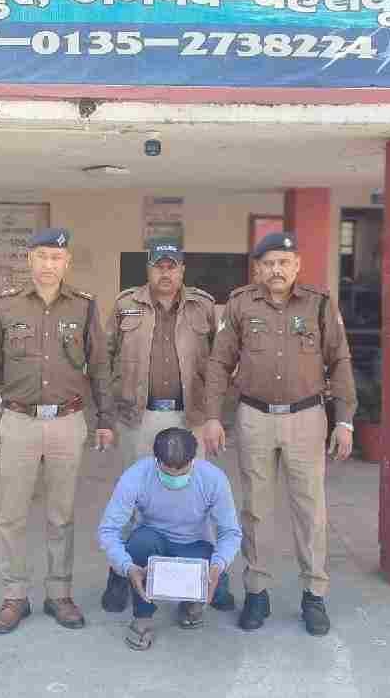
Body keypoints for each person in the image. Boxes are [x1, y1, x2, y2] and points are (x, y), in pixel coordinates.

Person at [203, 232, 357, 635]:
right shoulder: (239, 304)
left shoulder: (319, 304)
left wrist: (344, 420)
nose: (276, 270)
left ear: (297, 265)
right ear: (258, 268)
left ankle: (314, 595)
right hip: (254, 416)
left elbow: (340, 361)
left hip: (306, 417)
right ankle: (257, 592)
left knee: (310, 510)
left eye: (284, 262)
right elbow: (219, 362)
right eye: (269, 263)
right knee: (256, 508)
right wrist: (213, 416)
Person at [0, 227, 115, 634]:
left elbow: (99, 367)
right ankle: (14, 595)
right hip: (18, 421)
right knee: (11, 515)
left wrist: (105, 420)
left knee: (61, 515)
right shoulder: (5, 305)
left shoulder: (83, 307)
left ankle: (59, 594)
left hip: (68, 422)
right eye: (42, 256)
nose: (49, 264)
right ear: (29, 260)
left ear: (67, 262)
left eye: (56, 257)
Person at [100, 238, 235, 613]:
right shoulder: (125, 305)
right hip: (138, 417)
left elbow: (218, 365)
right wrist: (108, 412)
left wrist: (214, 415)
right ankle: (122, 575)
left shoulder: (203, 306)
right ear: (148, 269)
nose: (165, 272)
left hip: (189, 417)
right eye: (158, 265)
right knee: (133, 500)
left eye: (171, 266)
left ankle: (195, 585)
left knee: (192, 503)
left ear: (182, 270)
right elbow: (104, 360)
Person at [98, 427, 242, 651]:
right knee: (139, 543)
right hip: (153, 543)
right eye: (167, 472)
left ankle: (191, 602)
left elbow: (230, 532)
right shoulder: (136, 476)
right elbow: (108, 530)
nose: (174, 478)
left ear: (194, 460)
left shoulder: (213, 479)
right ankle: (143, 616)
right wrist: (126, 567)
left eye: (182, 471)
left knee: (214, 583)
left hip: (195, 547)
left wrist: (218, 565)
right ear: (155, 460)